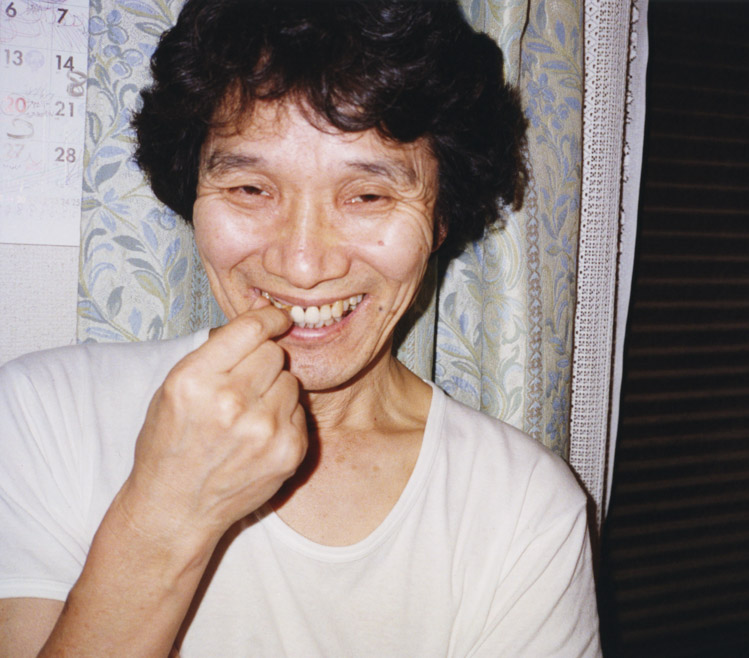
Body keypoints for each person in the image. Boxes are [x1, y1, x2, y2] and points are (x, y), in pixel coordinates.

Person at [0, 1, 601, 655]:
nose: (303, 263)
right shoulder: (43, 415)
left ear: (442, 219)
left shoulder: (521, 506)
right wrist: (165, 514)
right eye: (251, 190)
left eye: (368, 196)